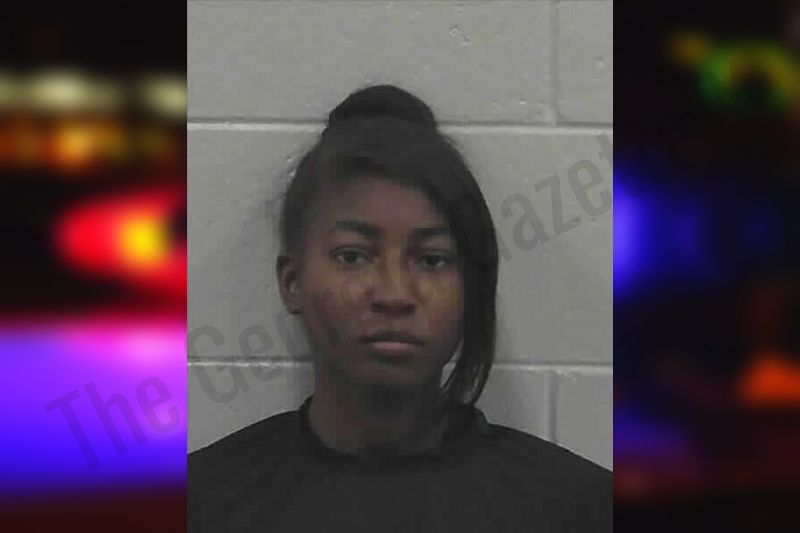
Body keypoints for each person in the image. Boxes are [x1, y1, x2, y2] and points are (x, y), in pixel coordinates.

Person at [188, 84, 611, 532]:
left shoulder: (577, 509)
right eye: (353, 256)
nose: (394, 295)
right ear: (292, 282)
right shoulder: (200, 503)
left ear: (472, 288)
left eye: (432, 260)